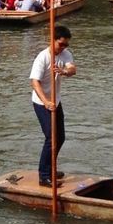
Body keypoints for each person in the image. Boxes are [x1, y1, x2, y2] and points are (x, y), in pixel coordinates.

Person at [30, 25, 77, 187]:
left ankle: (51, 168)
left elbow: (72, 69)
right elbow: (34, 83)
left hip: (56, 101)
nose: (63, 48)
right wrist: (46, 102)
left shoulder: (65, 54)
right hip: (41, 102)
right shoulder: (42, 57)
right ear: (53, 40)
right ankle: (44, 176)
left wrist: (64, 71)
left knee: (61, 137)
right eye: (61, 44)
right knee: (51, 138)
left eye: (66, 45)